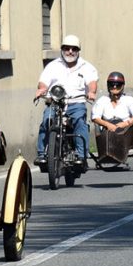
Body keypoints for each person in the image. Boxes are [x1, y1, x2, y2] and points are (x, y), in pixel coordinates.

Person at [35, 34, 98, 169]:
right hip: (55, 102)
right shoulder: (53, 66)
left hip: (76, 102)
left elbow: (92, 83)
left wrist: (91, 92)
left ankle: (81, 156)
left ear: (78, 51)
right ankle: (42, 154)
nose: (70, 51)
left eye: (74, 49)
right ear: (62, 49)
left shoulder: (86, 67)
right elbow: (43, 82)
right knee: (47, 120)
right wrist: (41, 90)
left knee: (80, 122)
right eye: (67, 48)